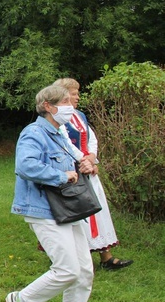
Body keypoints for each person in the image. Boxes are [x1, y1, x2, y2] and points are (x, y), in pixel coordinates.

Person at [6, 84, 103, 302]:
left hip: (66, 208)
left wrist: (85, 162)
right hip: (43, 209)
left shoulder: (59, 132)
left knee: (84, 271)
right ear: (48, 106)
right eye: (64, 102)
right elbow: (26, 165)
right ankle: (19, 300)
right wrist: (61, 175)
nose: (70, 106)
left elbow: (76, 156)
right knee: (67, 269)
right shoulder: (34, 132)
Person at [54, 78, 133, 271]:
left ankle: (106, 257)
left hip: (87, 170)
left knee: (97, 212)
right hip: (72, 171)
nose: (77, 97)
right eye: (74, 93)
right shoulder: (58, 119)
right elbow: (65, 143)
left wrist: (92, 157)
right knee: (77, 214)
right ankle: (69, 258)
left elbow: (91, 139)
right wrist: (85, 161)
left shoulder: (79, 115)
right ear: (63, 96)